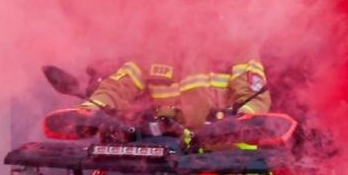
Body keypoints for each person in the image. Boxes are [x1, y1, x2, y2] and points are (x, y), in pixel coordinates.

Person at [76, 57, 274, 127]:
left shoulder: (236, 46)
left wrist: (237, 123)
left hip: (225, 160)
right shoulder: (154, 49)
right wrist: (89, 111)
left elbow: (254, 98)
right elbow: (118, 86)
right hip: (163, 158)